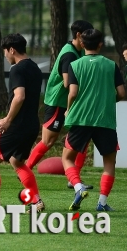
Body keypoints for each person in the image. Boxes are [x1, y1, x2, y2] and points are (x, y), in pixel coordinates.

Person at [26, 20, 94, 190]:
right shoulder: (69, 54)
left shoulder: (78, 51)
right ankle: (25, 170)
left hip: (73, 101)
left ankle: (74, 180)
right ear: (79, 35)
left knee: (82, 139)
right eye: (87, 35)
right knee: (48, 141)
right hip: (58, 102)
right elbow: (66, 83)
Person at [63, 29, 124, 211]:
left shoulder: (75, 65)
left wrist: (68, 109)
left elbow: (72, 92)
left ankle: (78, 186)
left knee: (67, 158)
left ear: (82, 44)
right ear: (100, 44)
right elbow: (121, 93)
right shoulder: (111, 65)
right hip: (104, 120)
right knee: (109, 162)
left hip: (81, 118)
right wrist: (107, 100)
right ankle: (102, 203)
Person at [0, 33, 44, 213]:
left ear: (12, 49)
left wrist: (8, 120)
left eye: (5, 53)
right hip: (32, 124)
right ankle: (36, 201)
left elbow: (20, 96)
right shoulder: (35, 68)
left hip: (17, 125)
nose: (5, 56)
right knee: (17, 162)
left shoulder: (17, 69)